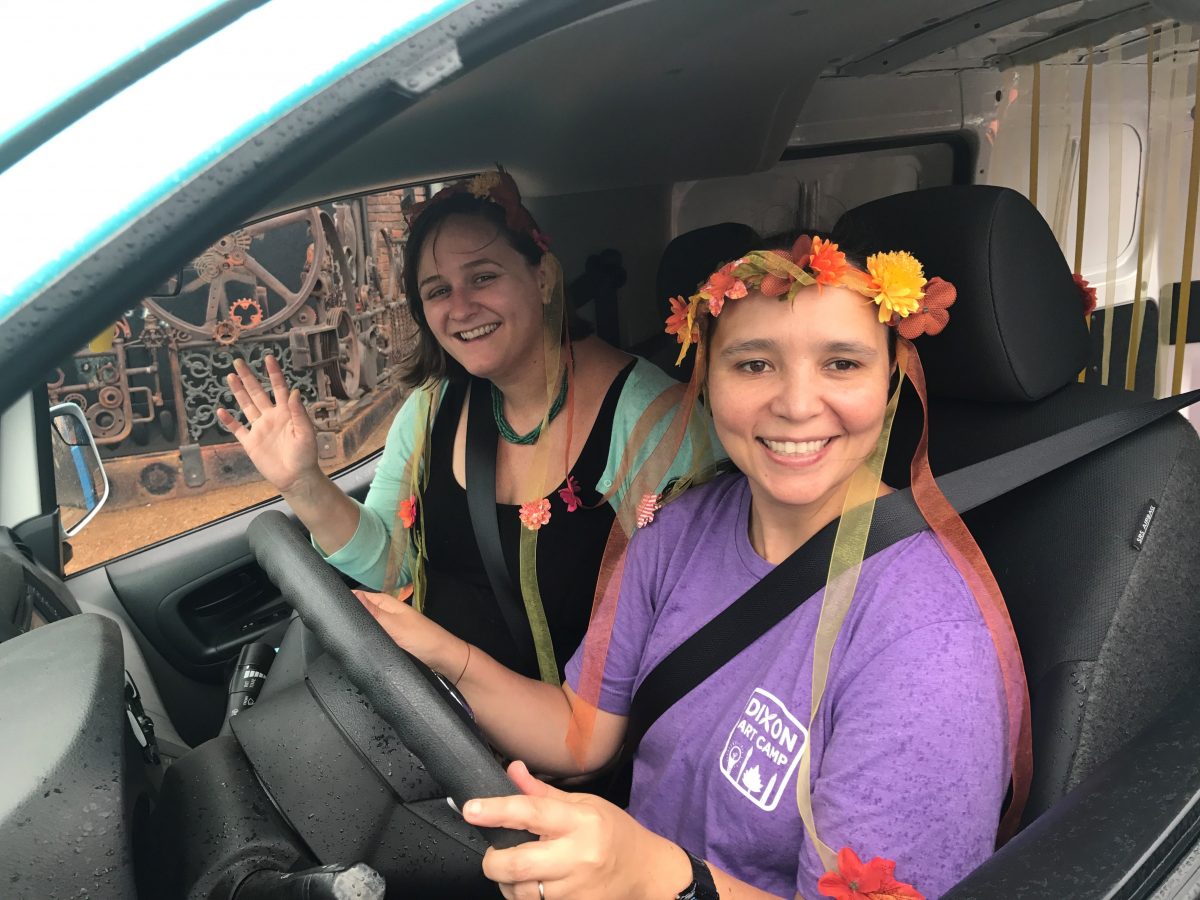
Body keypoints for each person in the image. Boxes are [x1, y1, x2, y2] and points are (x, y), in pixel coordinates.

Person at [354, 232, 1030, 899]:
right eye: (754, 364)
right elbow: (580, 735)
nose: (797, 405)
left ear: (890, 381)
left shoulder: (927, 640)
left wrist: (655, 877)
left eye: (842, 363)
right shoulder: (678, 530)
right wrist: (434, 651)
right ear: (705, 380)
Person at [217, 169, 719, 683]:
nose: (460, 307)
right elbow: (392, 565)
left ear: (542, 277)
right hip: (426, 701)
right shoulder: (432, 407)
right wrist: (303, 484)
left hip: (555, 727)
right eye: (438, 290)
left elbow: (690, 638)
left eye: (483, 277)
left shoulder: (653, 422)